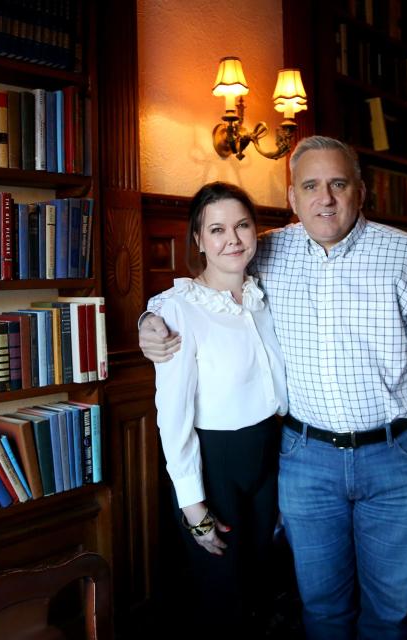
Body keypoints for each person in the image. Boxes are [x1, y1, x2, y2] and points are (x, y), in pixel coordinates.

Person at [141, 136, 407, 639]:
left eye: (339, 184)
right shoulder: (269, 250)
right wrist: (150, 320)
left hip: (398, 457)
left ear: (360, 192)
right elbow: (198, 291)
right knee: (320, 609)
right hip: (305, 460)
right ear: (292, 197)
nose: (327, 198)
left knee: (392, 611)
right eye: (311, 186)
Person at [152, 182, 287, 638]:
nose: (232, 238)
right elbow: (173, 420)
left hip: (268, 455)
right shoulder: (178, 309)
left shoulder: (261, 297)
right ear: (198, 239)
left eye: (242, 225)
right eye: (217, 229)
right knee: (219, 598)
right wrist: (195, 510)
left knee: (261, 589)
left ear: (256, 231)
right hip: (213, 465)